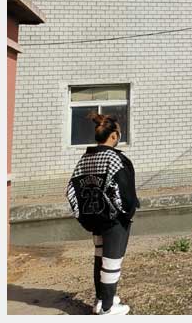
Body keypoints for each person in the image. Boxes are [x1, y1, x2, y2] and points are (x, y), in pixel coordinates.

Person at [66, 113, 139, 315]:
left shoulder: (85, 158)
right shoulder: (115, 158)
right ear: (114, 135)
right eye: (119, 133)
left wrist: (82, 215)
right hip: (114, 219)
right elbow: (124, 192)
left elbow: (71, 189)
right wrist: (127, 212)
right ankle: (107, 308)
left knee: (100, 256)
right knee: (112, 260)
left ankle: (101, 299)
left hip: (94, 216)